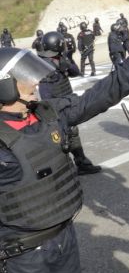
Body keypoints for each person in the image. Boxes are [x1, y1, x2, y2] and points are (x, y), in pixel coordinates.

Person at [0, 33, 129, 273]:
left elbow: (95, 98)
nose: (34, 82)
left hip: (64, 240)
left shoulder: (47, 113)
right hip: (23, 256)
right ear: (4, 86)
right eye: (24, 78)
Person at [37, 31, 102, 175]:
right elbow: (46, 94)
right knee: (62, 138)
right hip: (58, 108)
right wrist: (54, 113)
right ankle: (65, 168)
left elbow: (75, 72)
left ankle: (81, 163)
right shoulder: (46, 66)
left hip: (66, 103)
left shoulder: (59, 59)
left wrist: (68, 60)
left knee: (72, 134)